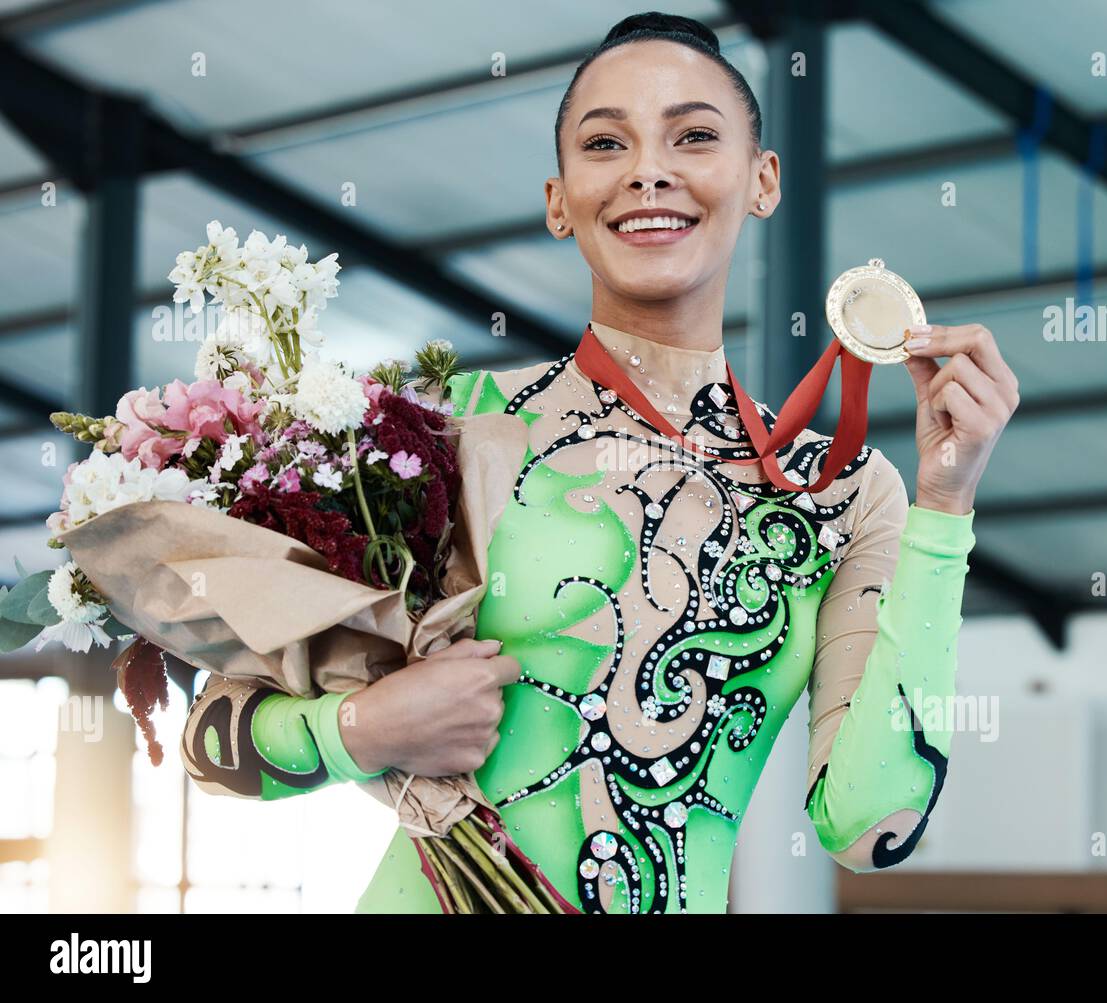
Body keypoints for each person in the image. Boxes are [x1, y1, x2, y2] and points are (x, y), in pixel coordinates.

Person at [180, 11, 1019, 914]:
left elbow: (869, 822)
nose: (648, 170)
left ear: (763, 179)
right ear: (558, 198)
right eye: (605, 142)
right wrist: (368, 727)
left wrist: (945, 505)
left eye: (694, 136)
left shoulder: (846, 490)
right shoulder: (443, 428)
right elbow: (214, 747)